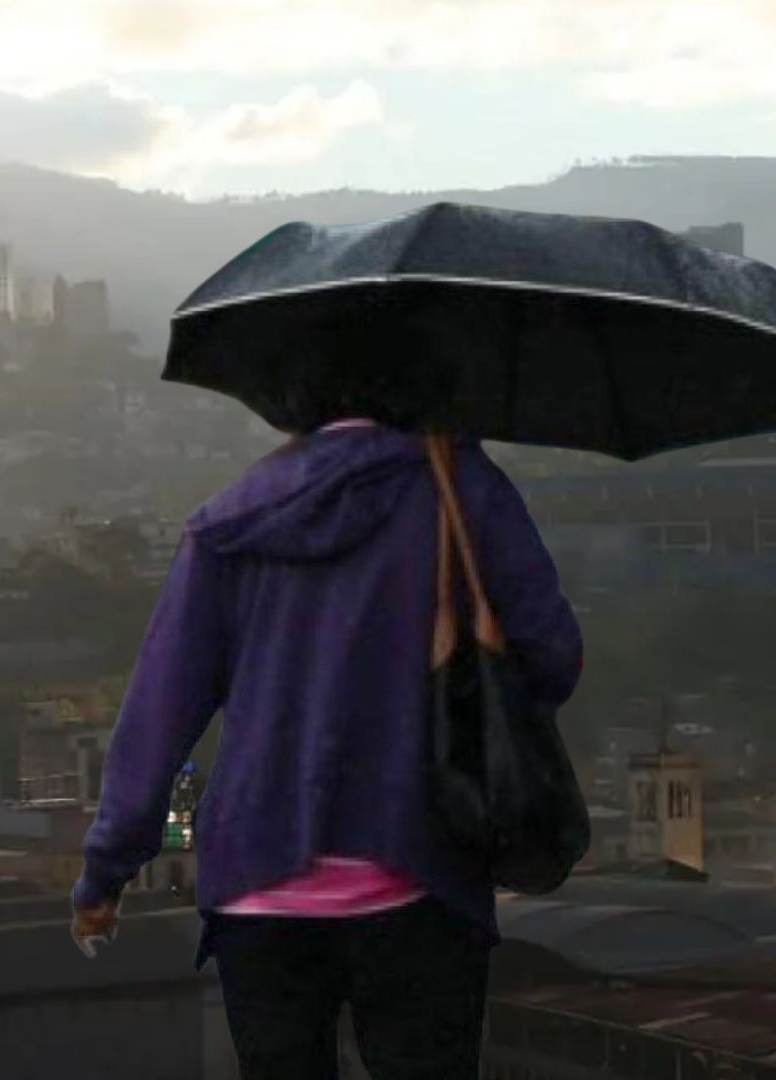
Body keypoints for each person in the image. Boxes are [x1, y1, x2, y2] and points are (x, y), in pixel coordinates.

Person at [70, 357, 583, 1079]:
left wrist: (107, 870)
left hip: (258, 883)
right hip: (421, 872)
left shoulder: (231, 518)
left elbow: (160, 710)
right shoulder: (460, 488)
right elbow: (553, 655)